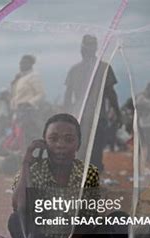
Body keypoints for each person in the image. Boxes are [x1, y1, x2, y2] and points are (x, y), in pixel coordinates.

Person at [9, 113, 100, 238]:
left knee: (118, 220)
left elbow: (88, 220)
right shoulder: (33, 171)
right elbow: (19, 208)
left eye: (69, 139)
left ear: (78, 144)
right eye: (53, 138)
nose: (60, 145)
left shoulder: (88, 173)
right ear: (44, 143)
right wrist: (26, 165)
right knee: (16, 220)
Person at [64, 35, 121, 172]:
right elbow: (111, 94)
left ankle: (80, 181)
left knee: (79, 150)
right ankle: (91, 180)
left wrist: (66, 116)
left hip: (79, 117)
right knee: (95, 151)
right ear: (95, 49)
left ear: (81, 50)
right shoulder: (104, 67)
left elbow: (67, 97)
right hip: (97, 117)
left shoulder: (75, 70)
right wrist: (117, 113)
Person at [10, 54, 45, 149]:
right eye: (20, 63)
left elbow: (41, 94)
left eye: (24, 63)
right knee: (20, 136)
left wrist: (29, 103)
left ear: (30, 64)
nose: (21, 65)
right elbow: (16, 96)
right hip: (19, 111)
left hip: (29, 111)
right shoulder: (20, 78)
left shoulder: (34, 76)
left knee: (29, 135)